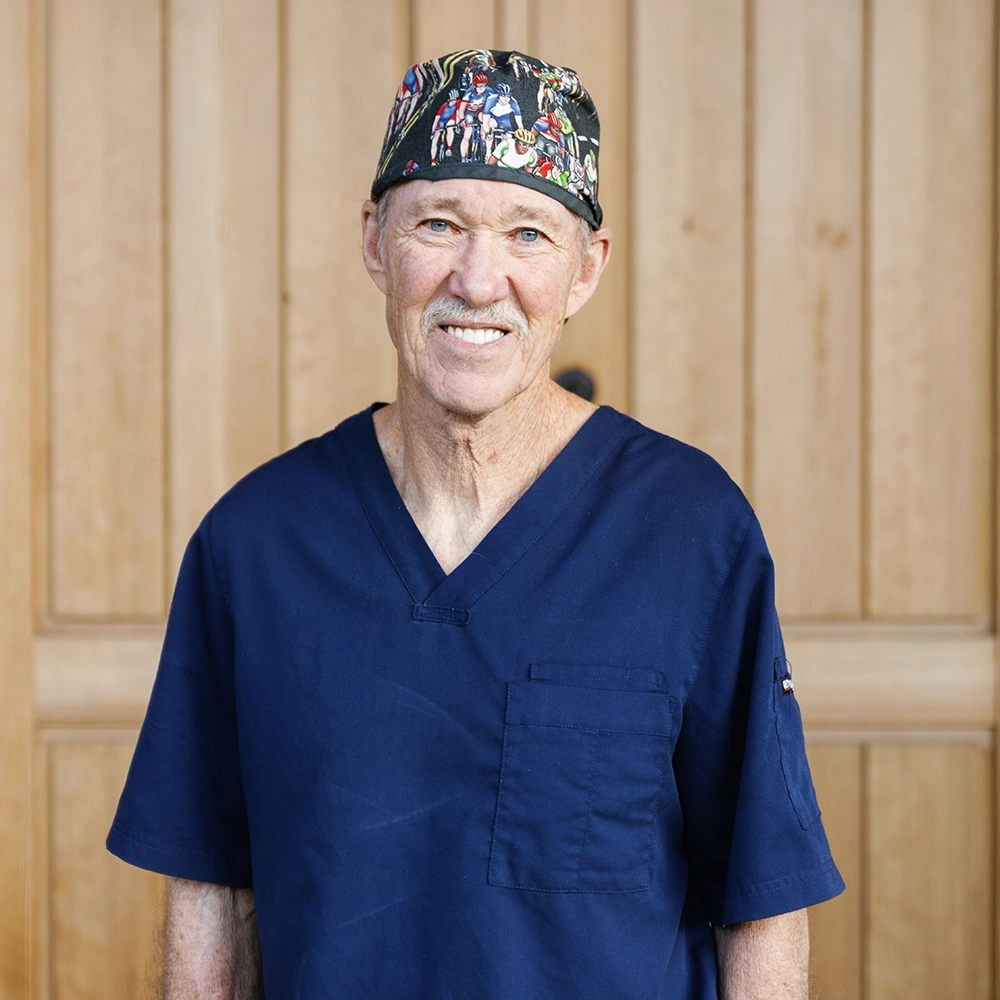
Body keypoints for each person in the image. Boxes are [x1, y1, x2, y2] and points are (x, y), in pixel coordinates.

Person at [108, 47, 843, 999]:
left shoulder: (691, 534)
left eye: (529, 234)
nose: (478, 278)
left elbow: (763, 900)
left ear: (587, 267)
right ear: (375, 241)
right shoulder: (253, 548)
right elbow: (211, 892)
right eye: (439, 222)